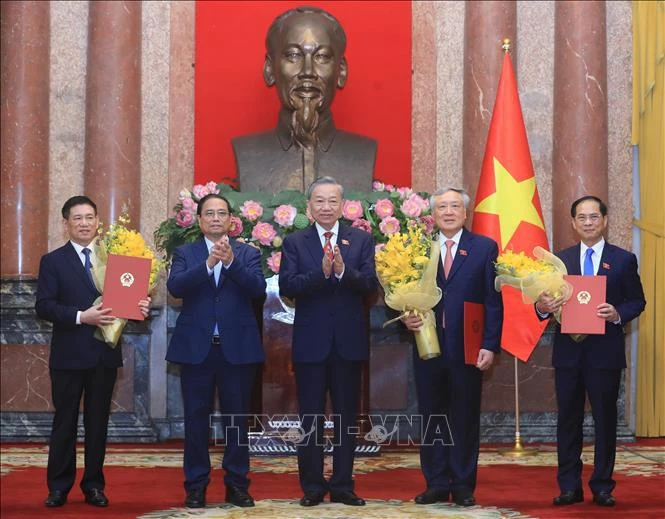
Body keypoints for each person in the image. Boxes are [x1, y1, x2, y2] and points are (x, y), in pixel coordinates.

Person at [35, 196, 150, 508]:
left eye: (89, 217)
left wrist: (141, 307)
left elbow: (127, 305)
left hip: (103, 354)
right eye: (77, 218)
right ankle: (58, 487)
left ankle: (94, 486)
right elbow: (43, 306)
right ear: (66, 224)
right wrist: (80, 316)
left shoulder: (114, 258)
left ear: (98, 221)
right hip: (68, 355)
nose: (84, 223)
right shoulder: (53, 261)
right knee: (65, 422)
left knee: (98, 423)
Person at [535, 195, 645, 508]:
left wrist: (617, 313)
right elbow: (541, 303)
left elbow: (638, 301)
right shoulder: (560, 260)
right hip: (568, 354)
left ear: (604, 220)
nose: (588, 222)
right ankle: (569, 487)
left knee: (605, 420)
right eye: (581, 217)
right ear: (573, 223)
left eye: (593, 217)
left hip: (604, 354)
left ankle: (602, 486)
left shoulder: (623, 260)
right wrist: (543, 307)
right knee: (568, 421)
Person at [279, 176, 377, 507]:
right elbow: (288, 287)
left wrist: (341, 272)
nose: (325, 207)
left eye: (332, 201)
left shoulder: (361, 241)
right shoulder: (295, 243)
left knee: (347, 418)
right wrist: (320, 274)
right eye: (319, 201)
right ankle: (312, 487)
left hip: (348, 344)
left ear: (343, 205)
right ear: (309, 206)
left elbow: (369, 287)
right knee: (310, 419)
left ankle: (343, 485)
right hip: (310, 344)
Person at [402, 187, 503, 507]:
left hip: (468, 346)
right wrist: (405, 316)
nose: (448, 212)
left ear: (465, 212)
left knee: (464, 416)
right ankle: (435, 482)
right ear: (433, 213)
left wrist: (490, 344)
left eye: (454, 206)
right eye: (442, 206)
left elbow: (493, 300)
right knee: (431, 415)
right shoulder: (417, 248)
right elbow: (402, 289)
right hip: (427, 345)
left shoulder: (484, 248)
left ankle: (462, 484)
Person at [166, 193, 266, 508]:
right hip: (197, 350)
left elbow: (257, 289)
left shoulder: (247, 254)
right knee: (197, 421)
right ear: (199, 220)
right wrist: (209, 264)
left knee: (236, 422)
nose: (215, 218)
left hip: (237, 350)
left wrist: (230, 263)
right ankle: (196, 486)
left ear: (231, 220)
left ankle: (237, 485)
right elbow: (176, 288)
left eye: (221, 213)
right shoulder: (185, 253)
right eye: (209, 213)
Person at [232, 6, 376, 194]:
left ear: (340, 71)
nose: (308, 71)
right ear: (269, 69)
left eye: (322, 57)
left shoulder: (363, 152)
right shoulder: (247, 152)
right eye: (294, 55)